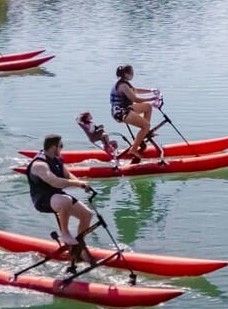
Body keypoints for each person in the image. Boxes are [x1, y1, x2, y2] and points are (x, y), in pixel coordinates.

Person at [24, 134, 98, 270]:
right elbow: (55, 181)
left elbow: (67, 175)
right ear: (53, 147)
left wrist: (81, 183)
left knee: (87, 215)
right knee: (65, 201)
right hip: (43, 199)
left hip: (58, 196)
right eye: (61, 146)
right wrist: (78, 184)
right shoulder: (39, 165)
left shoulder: (57, 158)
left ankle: (79, 248)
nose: (62, 148)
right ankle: (65, 234)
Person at [110, 63, 162, 156]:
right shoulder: (123, 86)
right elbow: (135, 99)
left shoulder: (124, 83)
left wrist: (151, 91)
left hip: (125, 109)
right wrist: (152, 99)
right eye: (132, 73)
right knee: (146, 125)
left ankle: (144, 133)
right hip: (121, 113)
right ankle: (133, 150)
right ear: (126, 74)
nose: (133, 75)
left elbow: (136, 90)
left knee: (148, 107)